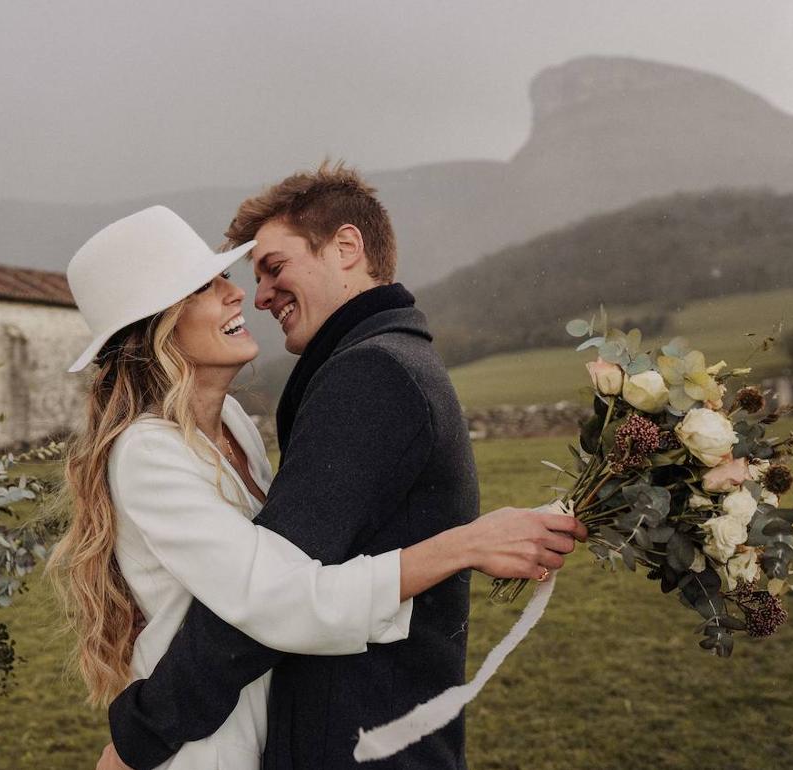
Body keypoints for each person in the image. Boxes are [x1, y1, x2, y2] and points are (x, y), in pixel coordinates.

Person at [53, 197, 585, 770]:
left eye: (240, 276)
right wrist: (465, 545)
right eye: (206, 287)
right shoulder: (147, 453)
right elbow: (279, 598)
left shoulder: (234, 424)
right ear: (156, 327)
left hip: (265, 723)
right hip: (208, 746)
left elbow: (284, 570)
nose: (242, 295)